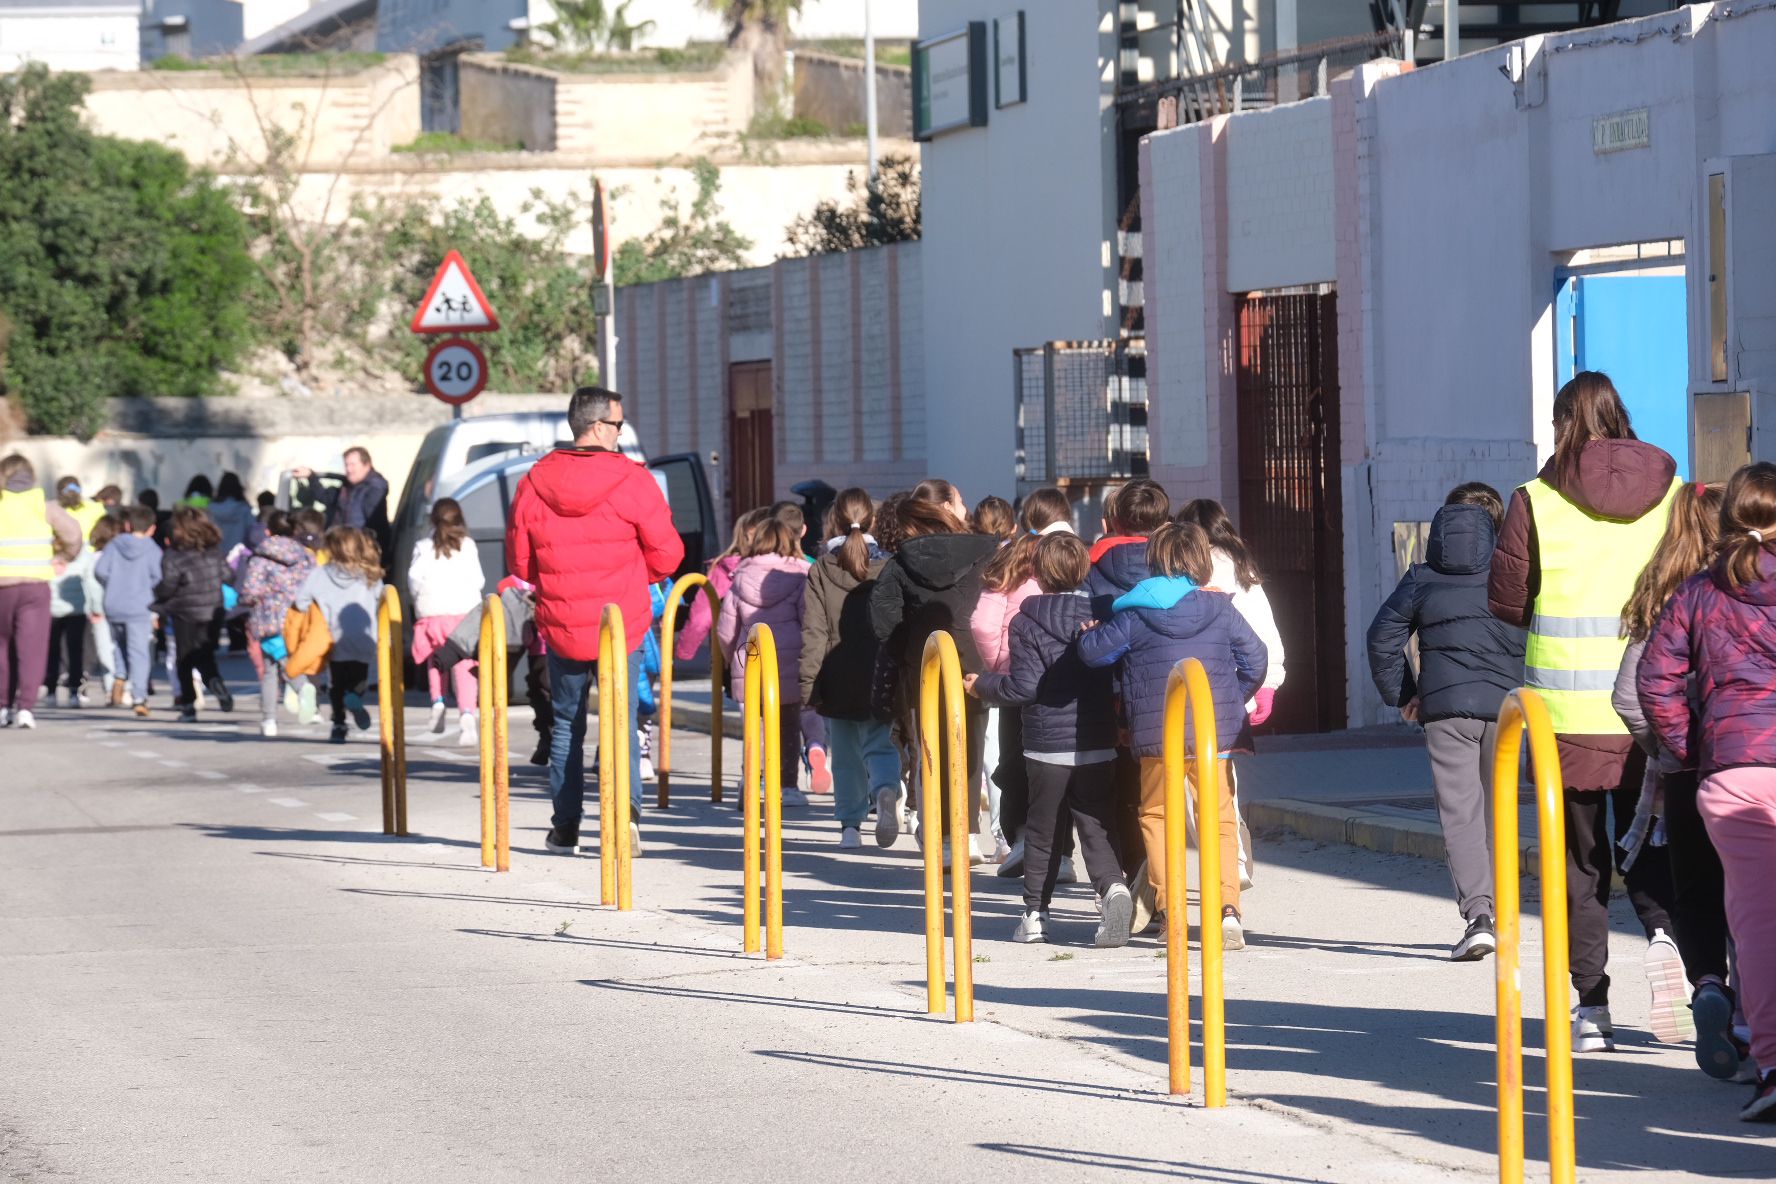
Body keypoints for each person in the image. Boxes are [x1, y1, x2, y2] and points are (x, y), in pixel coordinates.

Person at [1489, 370, 1682, 1055]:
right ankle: (1671, 945)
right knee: (1653, 844)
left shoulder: (1535, 500)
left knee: (1581, 863)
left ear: (1562, 424)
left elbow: (1507, 602)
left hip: (1563, 719)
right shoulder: (1675, 495)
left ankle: (1593, 1007)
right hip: (1651, 711)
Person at [1639, 461, 1776, 1121]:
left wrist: (1696, 750)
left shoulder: (1698, 591)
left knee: (1756, 924)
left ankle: (1770, 1064)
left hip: (1734, 773)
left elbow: (1654, 680)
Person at [507, 387, 684, 855]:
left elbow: (521, 563)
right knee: (620, 722)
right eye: (619, 425)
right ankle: (626, 821)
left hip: (562, 623)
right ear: (600, 427)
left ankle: (565, 827)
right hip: (620, 622)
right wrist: (637, 574)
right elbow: (668, 554)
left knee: (567, 725)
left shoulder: (533, 482)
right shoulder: (633, 480)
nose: (621, 433)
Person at [1078, 521, 1267, 951]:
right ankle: (1228, 912)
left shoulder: (1135, 611)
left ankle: (1172, 915)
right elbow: (1256, 659)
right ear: (1200, 562)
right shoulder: (1219, 608)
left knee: (1158, 818)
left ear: (1154, 561)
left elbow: (1092, 654)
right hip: (1212, 734)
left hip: (1157, 735)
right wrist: (1230, 700)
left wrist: (1086, 633)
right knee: (1219, 819)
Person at [1366, 483, 1527, 961]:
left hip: (1446, 710)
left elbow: (1381, 637)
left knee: (1461, 814)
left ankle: (1480, 917)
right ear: (1494, 525)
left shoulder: (1422, 577)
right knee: (1499, 809)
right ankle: (1506, 912)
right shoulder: (1514, 572)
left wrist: (1406, 694)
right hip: (1508, 708)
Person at [1613, 480, 1734, 1054]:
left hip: (1683, 775)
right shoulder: (1740, 589)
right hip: (1746, 761)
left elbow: (1628, 696)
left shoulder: (1661, 591)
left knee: (1695, 889)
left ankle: (1704, 980)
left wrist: (1670, 751)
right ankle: (1751, 1016)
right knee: (1752, 893)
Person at [969, 532, 1133, 948]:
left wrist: (981, 684)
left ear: (1037, 574)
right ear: (1083, 570)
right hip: (1097, 739)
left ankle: (1034, 916)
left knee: (1043, 831)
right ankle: (1113, 888)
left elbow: (1023, 687)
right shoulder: (1104, 615)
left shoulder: (1026, 621)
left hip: (1046, 745)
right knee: (1097, 824)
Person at [870, 486, 999, 863]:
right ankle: (967, 835)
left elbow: (883, 617)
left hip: (923, 666)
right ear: (943, 509)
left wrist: (907, 646)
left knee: (929, 750)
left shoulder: (901, 562)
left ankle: (941, 839)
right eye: (959, 501)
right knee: (969, 748)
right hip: (972, 663)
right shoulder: (983, 551)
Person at [973, 487, 1075, 876]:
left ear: (1022, 520)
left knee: (1015, 759)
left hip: (1018, 679)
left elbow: (983, 624)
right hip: (1065, 676)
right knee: (1061, 764)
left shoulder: (1011, 559)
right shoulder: (1070, 554)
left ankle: (1021, 839)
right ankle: (1062, 854)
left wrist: (1000, 666)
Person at [802, 489, 898, 847]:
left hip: (836, 672)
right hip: (880, 668)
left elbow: (814, 631)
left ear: (833, 522)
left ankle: (850, 828)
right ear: (872, 520)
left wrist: (809, 685)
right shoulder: (890, 565)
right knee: (881, 744)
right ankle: (885, 790)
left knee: (844, 755)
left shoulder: (821, 569)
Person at [718, 519, 812, 808]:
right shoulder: (799, 574)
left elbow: (726, 630)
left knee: (755, 727)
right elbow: (808, 620)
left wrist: (730, 659)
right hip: (789, 662)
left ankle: (752, 780)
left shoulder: (740, 576)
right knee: (789, 726)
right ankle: (788, 786)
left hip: (751, 661)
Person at [0, 455, 83, 729]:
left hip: (2, 587)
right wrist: (63, 557)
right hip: (35, 586)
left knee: (2, 648)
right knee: (31, 648)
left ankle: (2, 706)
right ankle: (25, 708)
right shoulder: (43, 506)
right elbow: (73, 534)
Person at [289, 527, 385, 744]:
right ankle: (355, 696)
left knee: (336, 683)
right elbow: (382, 600)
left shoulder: (320, 574)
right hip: (365, 637)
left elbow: (301, 601)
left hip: (333, 636)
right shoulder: (370, 573)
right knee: (359, 677)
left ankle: (339, 723)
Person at [409, 498, 484, 746]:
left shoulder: (423, 547)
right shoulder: (468, 546)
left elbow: (414, 579)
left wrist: (419, 599)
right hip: (464, 614)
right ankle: (467, 713)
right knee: (464, 664)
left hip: (433, 613)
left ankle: (438, 702)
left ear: (433, 520)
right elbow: (479, 580)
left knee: (436, 660)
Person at [238, 511, 315, 738]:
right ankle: (300, 689)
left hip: (269, 618)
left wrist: (244, 599)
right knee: (287, 659)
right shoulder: (305, 555)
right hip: (299, 616)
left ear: (267, 531)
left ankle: (272, 717)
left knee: (271, 668)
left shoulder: (261, 557)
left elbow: (250, 591)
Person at [154, 505, 232, 722]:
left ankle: (189, 705)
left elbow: (168, 585)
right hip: (213, 610)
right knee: (205, 654)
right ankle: (215, 681)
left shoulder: (173, 556)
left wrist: (157, 597)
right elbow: (229, 576)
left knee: (185, 659)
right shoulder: (214, 552)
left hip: (184, 612)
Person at [677, 507, 769, 671]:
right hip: (782, 651)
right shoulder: (792, 566)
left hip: (736, 656)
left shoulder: (725, 569)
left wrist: (683, 651)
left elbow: (700, 617)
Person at [95, 505, 162, 719]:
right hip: (139, 606)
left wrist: (113, 584)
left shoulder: (114, 544)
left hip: (113, 603)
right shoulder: (152, 549)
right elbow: (158, 577)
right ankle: (139, 697)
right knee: (139, 652)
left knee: (119, 644)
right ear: (152, 528)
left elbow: (100, 570)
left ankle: (120, 675)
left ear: (127, 525)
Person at [45, 513, 103, 708]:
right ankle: (75, 691)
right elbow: (91, 582)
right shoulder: (83, 553)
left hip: (50, 608)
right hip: (77, 608)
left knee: (52, 650)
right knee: (76, 651)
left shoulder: (47, 550)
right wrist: (96, 607)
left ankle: (51, 690)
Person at [293, 447, 392, 557]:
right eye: (346, 465)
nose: (348, 469)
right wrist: (311, 477)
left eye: (353, 465)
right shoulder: (349, 486)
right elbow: (326, 497)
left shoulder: (375, 488)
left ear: (367, 465)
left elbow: (375, 526)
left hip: (356, 552)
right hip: (340, 547)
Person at [207, 472, 257, 562]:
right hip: (238, 557)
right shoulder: (244, 509)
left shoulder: (210, 508)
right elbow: (252, 533)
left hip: (214, 557)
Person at [55, 477, 107, 543]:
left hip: (64, 547)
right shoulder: (96, 508)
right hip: (91, 547)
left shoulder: (53, 510)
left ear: (59, 493)